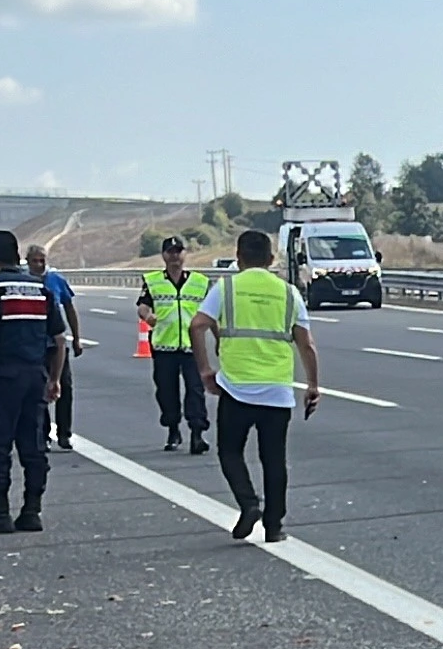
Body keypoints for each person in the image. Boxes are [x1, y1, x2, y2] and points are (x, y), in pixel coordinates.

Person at [191, 227, 319, 543]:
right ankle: (274, 527)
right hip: (277, 391)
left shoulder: (227, 288)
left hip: (236, 388)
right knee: (274, 459)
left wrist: (205, 369)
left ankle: (249, 503)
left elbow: (197, 326)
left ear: (238, 258)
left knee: (230, 452)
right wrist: (313, 384)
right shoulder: (289, 292)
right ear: (271, 258)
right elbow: (307, 344)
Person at [0, 228, 59, 534]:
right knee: (33, 445)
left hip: (4, 376)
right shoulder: (40, 288)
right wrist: (54, 378)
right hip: (35, 375)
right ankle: (32, 511)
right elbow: (58, 339)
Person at [136, 237, 211, 453]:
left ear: (185, 254)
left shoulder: (200, 282)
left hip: (192, 347)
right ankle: (172, 429)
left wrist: (218, 338)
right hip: (164, 347)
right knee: (166, 392)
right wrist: (147, 316)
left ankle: (197, 434)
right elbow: (142, 305)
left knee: (195, 390)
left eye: (179, 251)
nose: (175, 256)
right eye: (170, 252)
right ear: (163, 255)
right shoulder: (153, 281)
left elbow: (212, 312)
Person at [33, 248, 84, 451]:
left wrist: (77, 338)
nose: (39, 264)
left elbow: (69, 308)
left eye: (42, 260)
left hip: (56, 345)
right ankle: (42, 434)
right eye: (35, 261)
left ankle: (64, 433)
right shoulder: (25, 282)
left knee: (65, 387)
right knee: (38, 390)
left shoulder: (56, 280)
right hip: (35, 345)